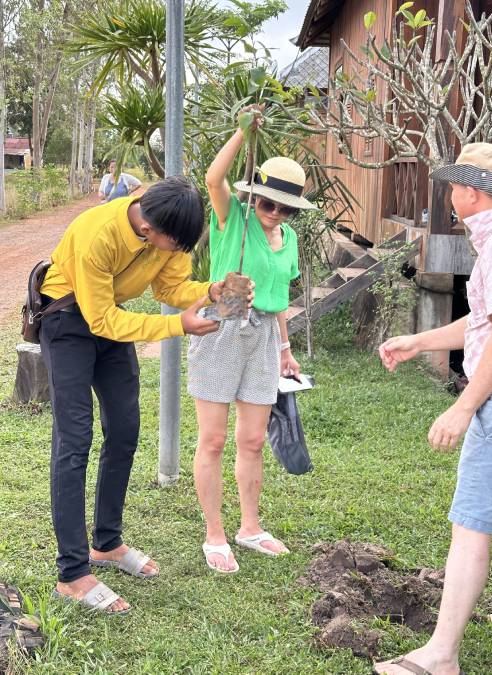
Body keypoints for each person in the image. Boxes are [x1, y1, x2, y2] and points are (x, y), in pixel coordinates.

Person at [374, 143, 492, 675]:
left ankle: (440, 655)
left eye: (453, 188)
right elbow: (484, 324)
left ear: (472, 193)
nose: (449, 197)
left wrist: (463, 408)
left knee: (470, 525)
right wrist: (417, 341)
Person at [38, 176, 230, 614]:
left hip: (110, 318)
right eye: (173, 244)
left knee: (124, 429)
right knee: (74, 440)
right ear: (147, 227)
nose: (177, 252)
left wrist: (208, 291)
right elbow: (100, 318)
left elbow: (170, 289)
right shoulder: (96, 233)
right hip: (67, 320)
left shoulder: (168, 234)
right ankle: (72, 572)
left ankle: (106, 544)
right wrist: (177, 325)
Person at [192, 105, 312, 573]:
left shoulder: (290, 239)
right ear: (255, 197)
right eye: (267, 202)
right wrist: (242, 134)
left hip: (263, 337)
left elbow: (280, 300)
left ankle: (249, 527)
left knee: (253, 440)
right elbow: (213, 179)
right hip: (223, 323)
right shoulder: (234, 219)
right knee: (215, 440)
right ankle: (214, 534)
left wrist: (285, 350)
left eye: (284, 206)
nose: (274, 212)